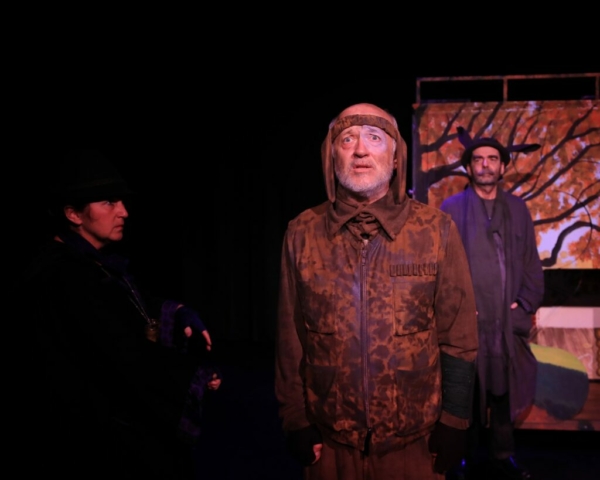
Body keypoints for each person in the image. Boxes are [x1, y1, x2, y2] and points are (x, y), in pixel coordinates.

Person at [274, 103, 479, 480]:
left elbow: (459, 337)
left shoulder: (435, 230)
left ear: (396, 157)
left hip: (414, 447)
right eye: (347, 139)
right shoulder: (302, 233)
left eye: (374, 138)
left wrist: (455, 420)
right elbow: (291, 339)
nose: (360, 150)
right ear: (331, 156)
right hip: (330, 447)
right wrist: (295, 419)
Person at [16, 150, 221, 480]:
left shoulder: (91, 264)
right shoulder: (64, 275)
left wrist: (178, 312)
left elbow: (128, 307)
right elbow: (118, 351)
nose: (123, 211)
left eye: (122, 201)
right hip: (91, 439)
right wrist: (193, 376)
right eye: (108, 202)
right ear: (73, 213)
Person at [440, 132, 544, 480]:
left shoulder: (517, 208)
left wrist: (524, 303)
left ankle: (503, 455)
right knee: (466, 394)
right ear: (469, 167)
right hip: (468, 320)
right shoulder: (452, 208)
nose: (485, 165)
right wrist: (457, 309)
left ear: (502, 167)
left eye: (492, 159)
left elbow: (531, 261)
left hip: (504, 320)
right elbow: (443, 266)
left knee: (502, 393)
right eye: (478, 159)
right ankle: (462, 458)